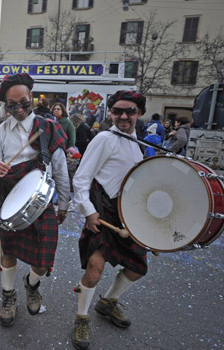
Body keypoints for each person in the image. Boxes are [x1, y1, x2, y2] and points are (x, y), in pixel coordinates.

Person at [0, 73, 70, 327]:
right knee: (8, 253)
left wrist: (63, 203)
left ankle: (31, 284)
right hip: (10, 199)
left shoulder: (48, 127)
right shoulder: (0, 132)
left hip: (42, 203)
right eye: (12, 105)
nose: (20, 108)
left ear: (31, 96)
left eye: (24, 102)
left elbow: (60, 169)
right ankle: (8, 296)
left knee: (43, 260)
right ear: (4, 105)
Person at [71, 90, 148, 350]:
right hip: (103, 210)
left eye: (130, 111)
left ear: (139, 113)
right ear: (110, 113)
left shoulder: (140, 144)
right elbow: (81, 177)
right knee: (94, 268)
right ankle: (81, 317)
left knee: (137, 268)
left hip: (129, 214)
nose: (124, 116)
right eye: (118, 111)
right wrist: (88, 210)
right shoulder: (104, 138)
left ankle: (108, 302)